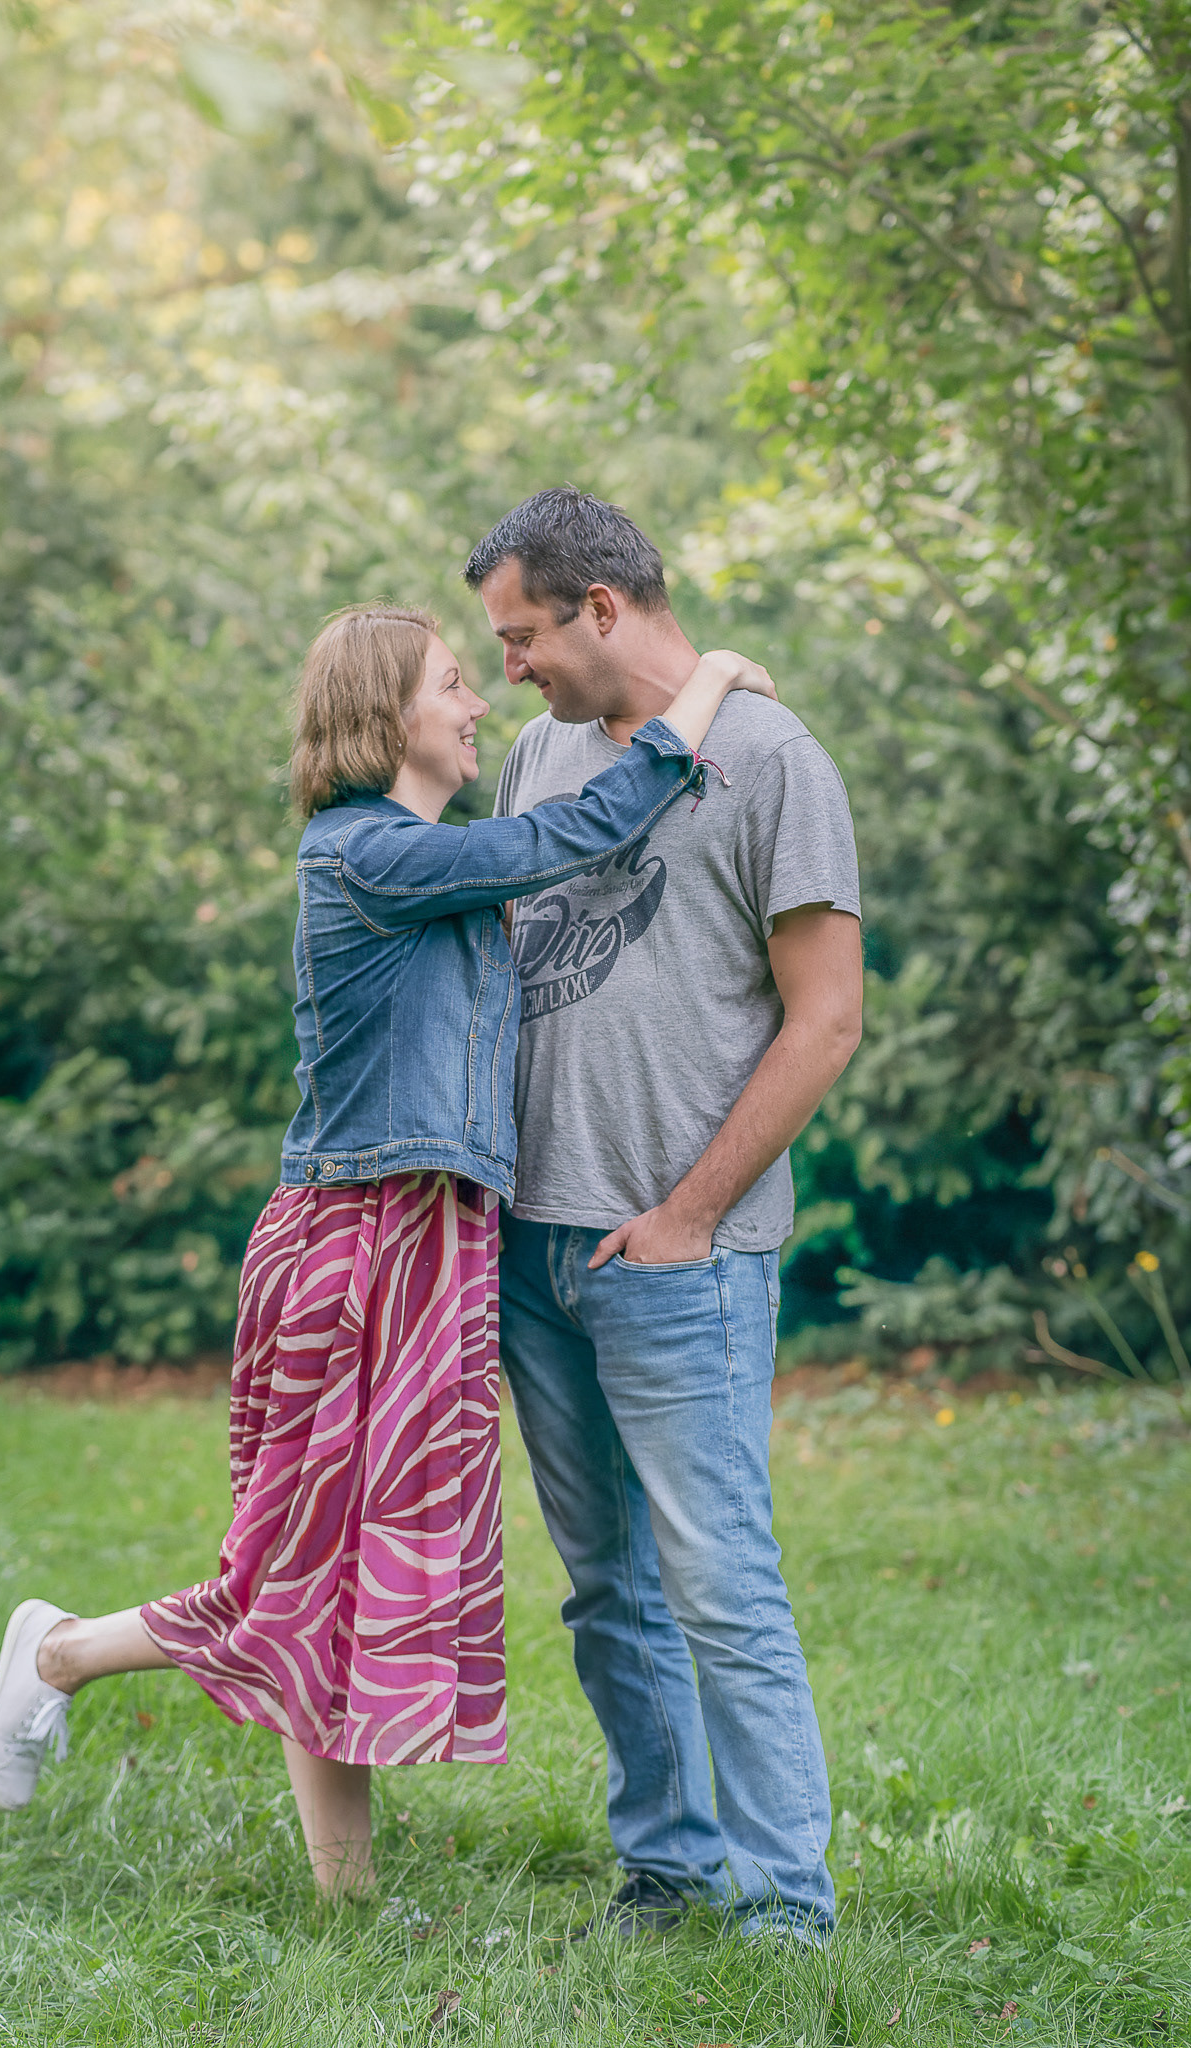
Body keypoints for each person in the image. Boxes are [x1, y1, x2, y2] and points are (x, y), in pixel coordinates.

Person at [0, 599, 776, 1899]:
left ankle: (344, 1902)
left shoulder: (422, 858)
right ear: (386, 713)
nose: (479, 703)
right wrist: (712, 678)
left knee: (338, 1573)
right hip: (356, 1246)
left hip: (431, 1245)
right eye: (454, 682)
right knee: (296, 1565)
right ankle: (61, 1652)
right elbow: (570, 832)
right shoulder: (367, 855)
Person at [467, 487, 863, 1943]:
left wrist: (690, 1213)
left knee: (718, 1583)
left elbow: (826, 1021)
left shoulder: (773, 760)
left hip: (682, 1255)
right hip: (536, 1247)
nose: (511, 666)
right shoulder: (538, 753)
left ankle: (784, 1907)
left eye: (521, 636)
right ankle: (670, 1868)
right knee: (607, 1590)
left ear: (602, 607)